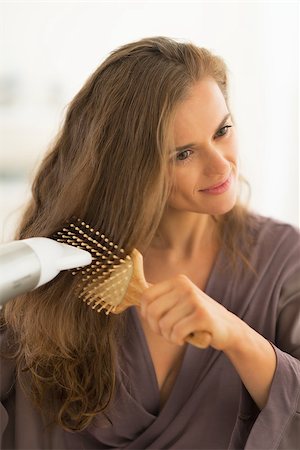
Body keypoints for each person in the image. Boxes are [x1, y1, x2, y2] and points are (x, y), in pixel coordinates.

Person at [0, 36, 299, 450]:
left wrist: (236, 336)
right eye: (183, 154)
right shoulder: (64, 266)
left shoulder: (286, 262)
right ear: (130, 169)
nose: (220, 165)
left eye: (222, 131)